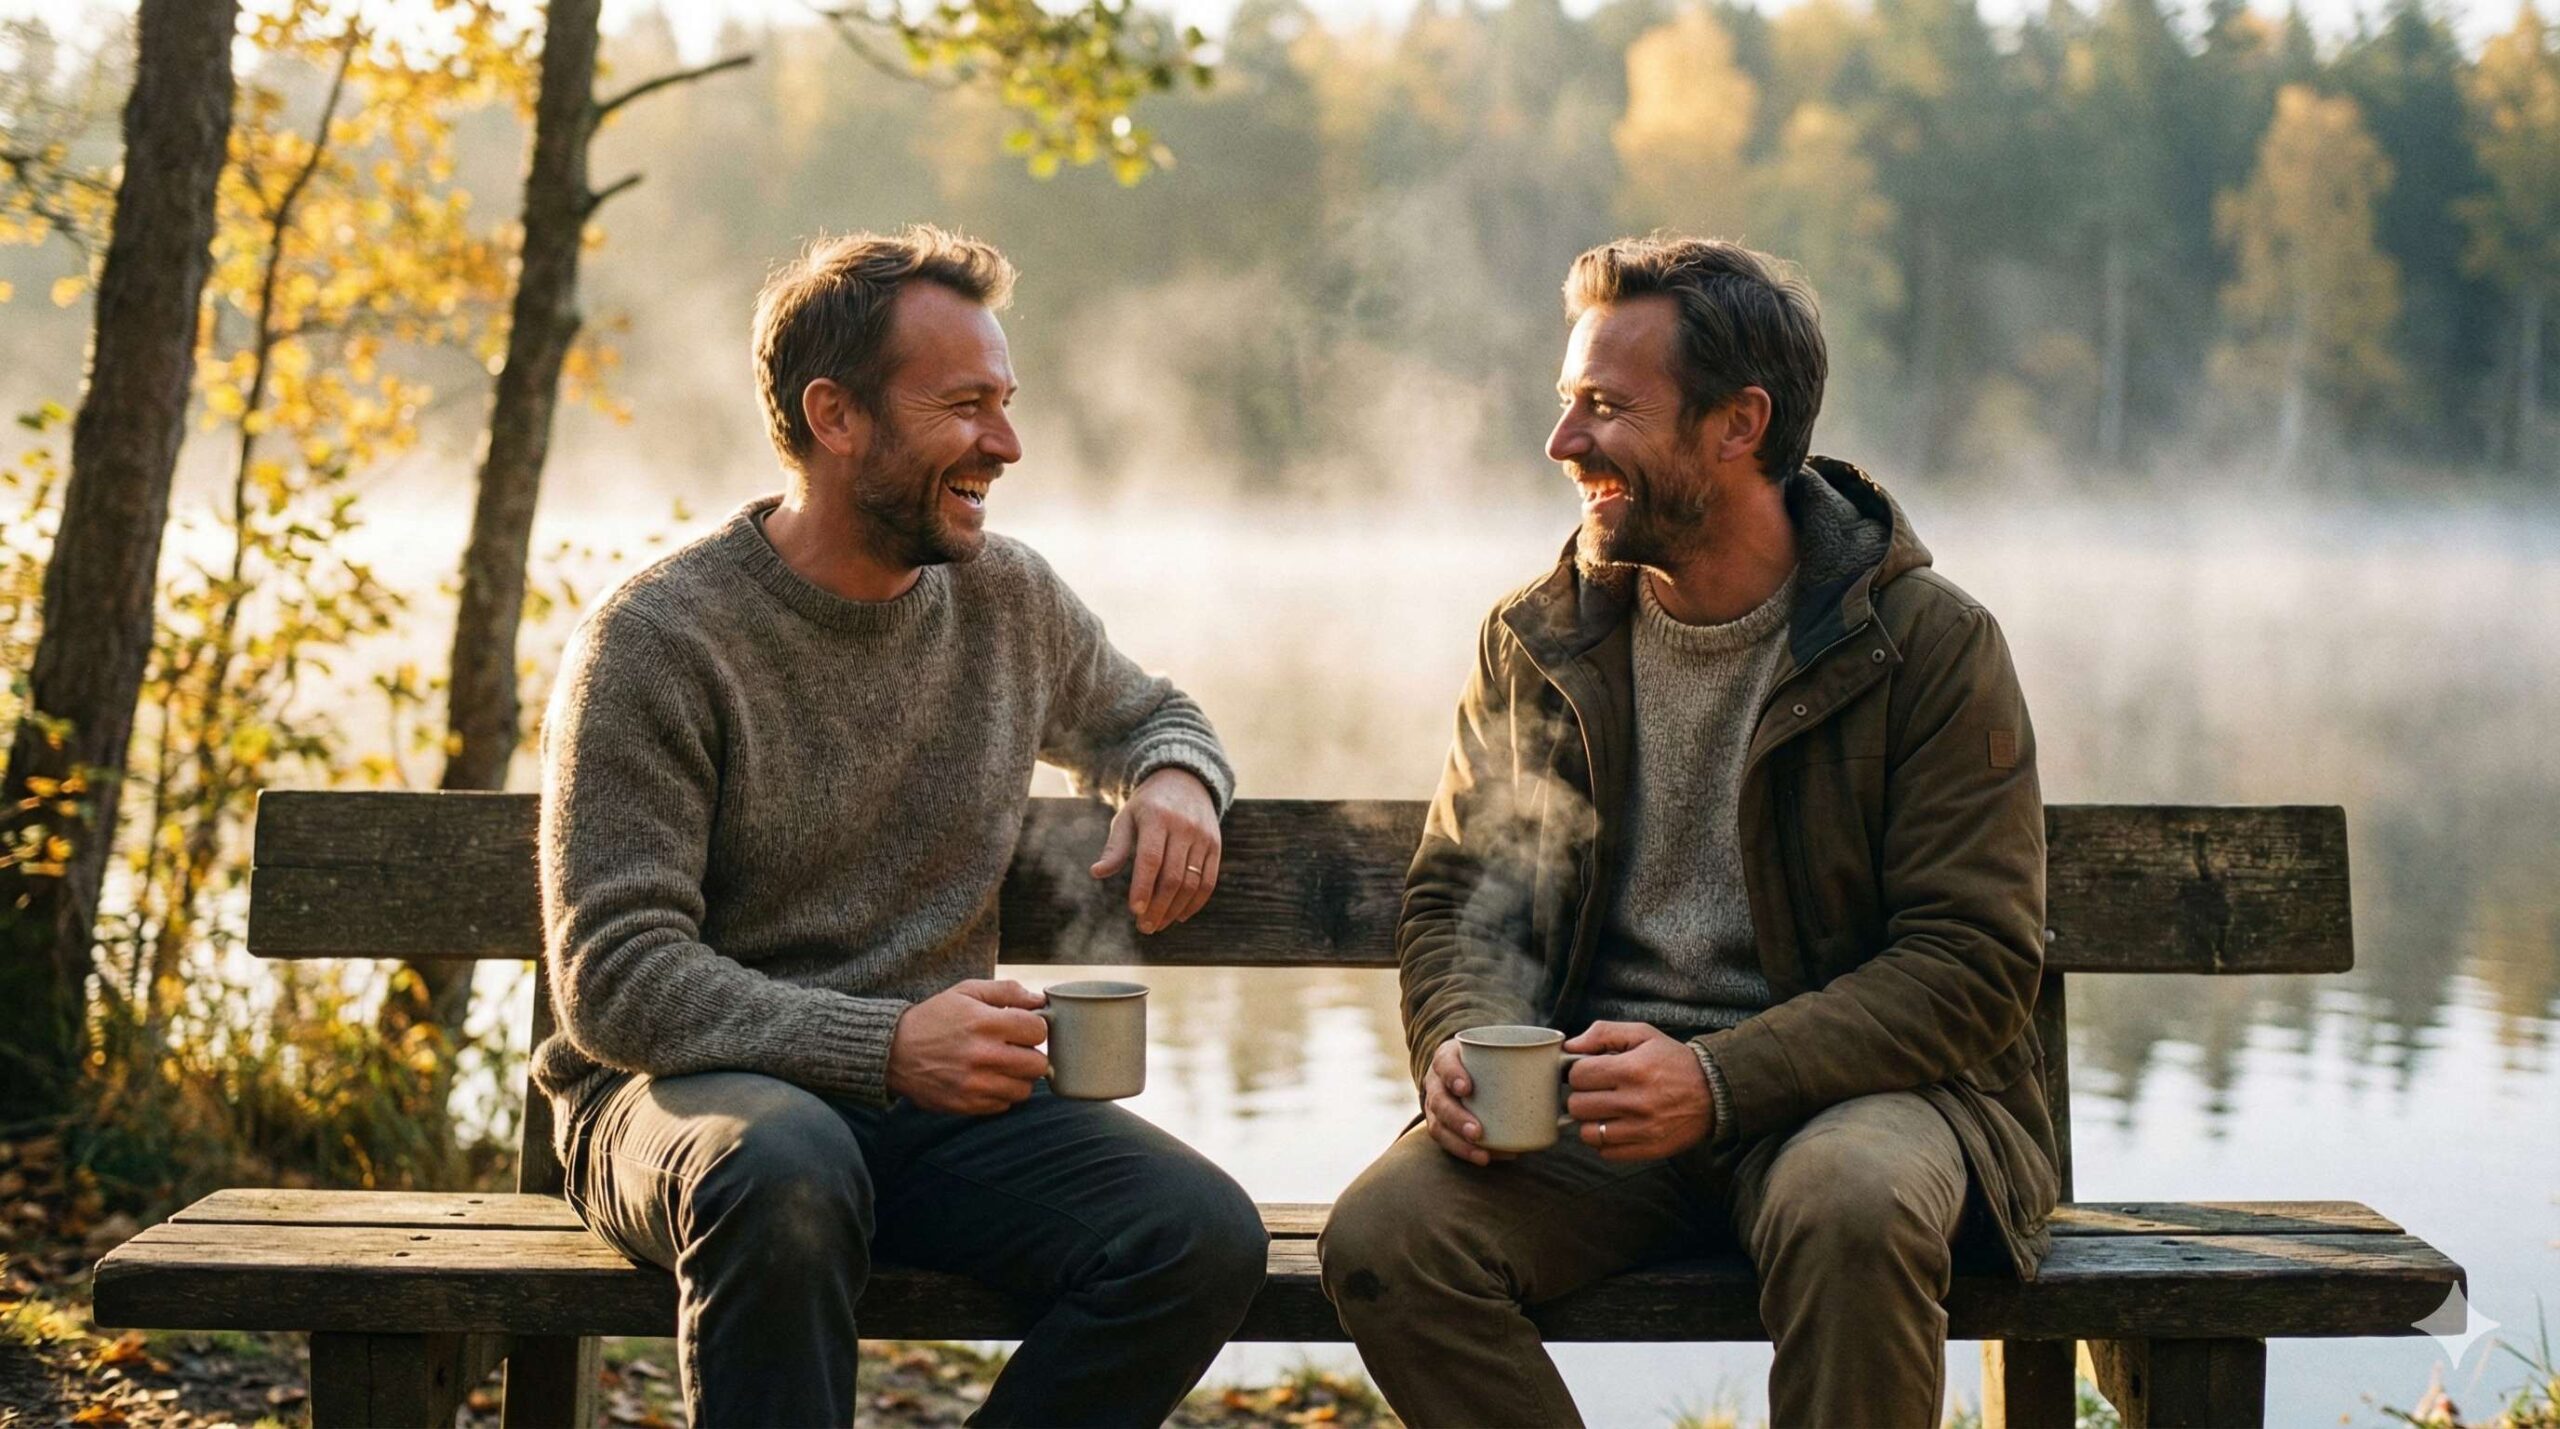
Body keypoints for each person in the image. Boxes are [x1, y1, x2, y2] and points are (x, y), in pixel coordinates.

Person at [1317, 234, 2060, 1428]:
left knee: (1850, 1207)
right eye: (1567, 404)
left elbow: (1969, 965)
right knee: (1387, 1237)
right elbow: (1465, 898)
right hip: (1595, 1115)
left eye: (1606, 409)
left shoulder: (1927, 645)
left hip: (1861, 1100)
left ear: (1738, 424)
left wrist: (1714, 1080)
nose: (1564, 446)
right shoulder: (1537, 640)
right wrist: (1461, 1041)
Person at [532, 225, 1266, 1428]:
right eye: (965, 405)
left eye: (1007, 403)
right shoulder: (660, 639)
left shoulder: (1006, 598)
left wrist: (1174, 774)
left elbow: (1149, 711)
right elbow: (613, 983)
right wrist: (882, 1046)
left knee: (1193, 1235)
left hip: (928, 1113)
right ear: (836, 417)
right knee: (784, 1167)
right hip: (682, 1107)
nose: (1007, 444)